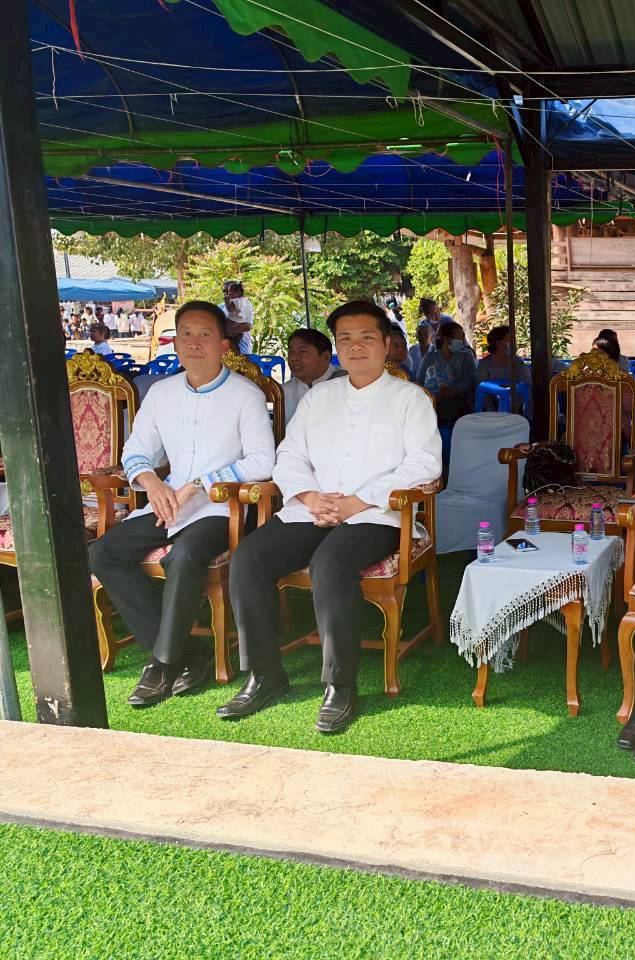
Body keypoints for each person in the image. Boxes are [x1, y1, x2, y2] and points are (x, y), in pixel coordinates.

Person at [220, 300, 442, 733]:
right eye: (346, 339)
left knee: (330, 562)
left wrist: (360, 501)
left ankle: (340, 685)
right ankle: (265, 675)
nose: (356, 347)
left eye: (366, 338)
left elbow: (425, 464)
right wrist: (309, 495)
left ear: (386, 344)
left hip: (376, 515)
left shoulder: (409, 399)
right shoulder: (318, 398)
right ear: (337, 346)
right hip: (312, 509)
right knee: (249, 558)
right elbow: (289, 455)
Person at [87, 301, 276, 708]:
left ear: (223, 344)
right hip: (168, 501)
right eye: (185, 334)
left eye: (204, 334)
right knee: (103, 553)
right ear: (175, 343)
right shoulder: (162, 393)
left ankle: (162, 663)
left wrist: (200, 484)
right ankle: (189, 651)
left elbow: (263, 461)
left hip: (222, 507)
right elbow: (136, 451)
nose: (193, 343)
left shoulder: (246, 395)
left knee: (184, 555)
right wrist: (151, 481)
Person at [417, 320, 477, 425]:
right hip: (433, 406)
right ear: (447, 339)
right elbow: (419, 382)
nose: (462, 341)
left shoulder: (466, 357)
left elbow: (469, 382)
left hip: (461, 407)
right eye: (459, 338)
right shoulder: (430, 358)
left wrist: (453, 390)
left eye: (463, 338)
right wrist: (433, 395)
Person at [283, 328, 346, 423]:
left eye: (303, 351)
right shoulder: (283, 391)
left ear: (325, 357)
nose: (294, 358)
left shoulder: (347, 384)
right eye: (291, 351)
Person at [475, 325, 531, 413]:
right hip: (491, 412)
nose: (514, 343)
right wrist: (493, 412)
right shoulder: (484, 365)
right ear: (499, 343)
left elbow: (526, 384)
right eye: (510, 340)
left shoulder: (518, 362)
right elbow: (482, 391)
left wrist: (515, 406)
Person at [223, 281, 254, 355]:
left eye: (229, 291)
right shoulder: (220, 307)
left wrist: (226, 330)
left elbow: (247, 327)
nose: (226, 294)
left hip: (242, 351)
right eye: (224, 291)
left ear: (238, 292)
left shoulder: (242, 303)